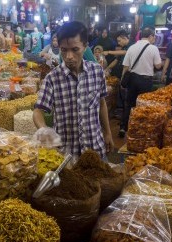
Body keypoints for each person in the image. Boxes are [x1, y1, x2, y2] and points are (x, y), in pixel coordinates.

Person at [33, 21, 114, 160]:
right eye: (64, 50)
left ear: (85, 47)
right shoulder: (52, 78)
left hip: (95, 150)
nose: (69, 56)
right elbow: (37, 111)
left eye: (75, 49)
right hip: (66, 156)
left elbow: (101, 104)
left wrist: (107, 133)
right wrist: (43, 129)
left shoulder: (97, 72)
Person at [119, 27, 163, 138]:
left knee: (129, 104)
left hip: (132, 79)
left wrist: (122, 81)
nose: (154, 39)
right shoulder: (153, 48)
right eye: (154, 37)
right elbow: (158, 65)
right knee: (143, 105)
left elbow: (126, 66)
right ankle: (140, 129)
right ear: (151, 36)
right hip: (145, 81)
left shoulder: (132, 47)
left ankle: (123, 128)